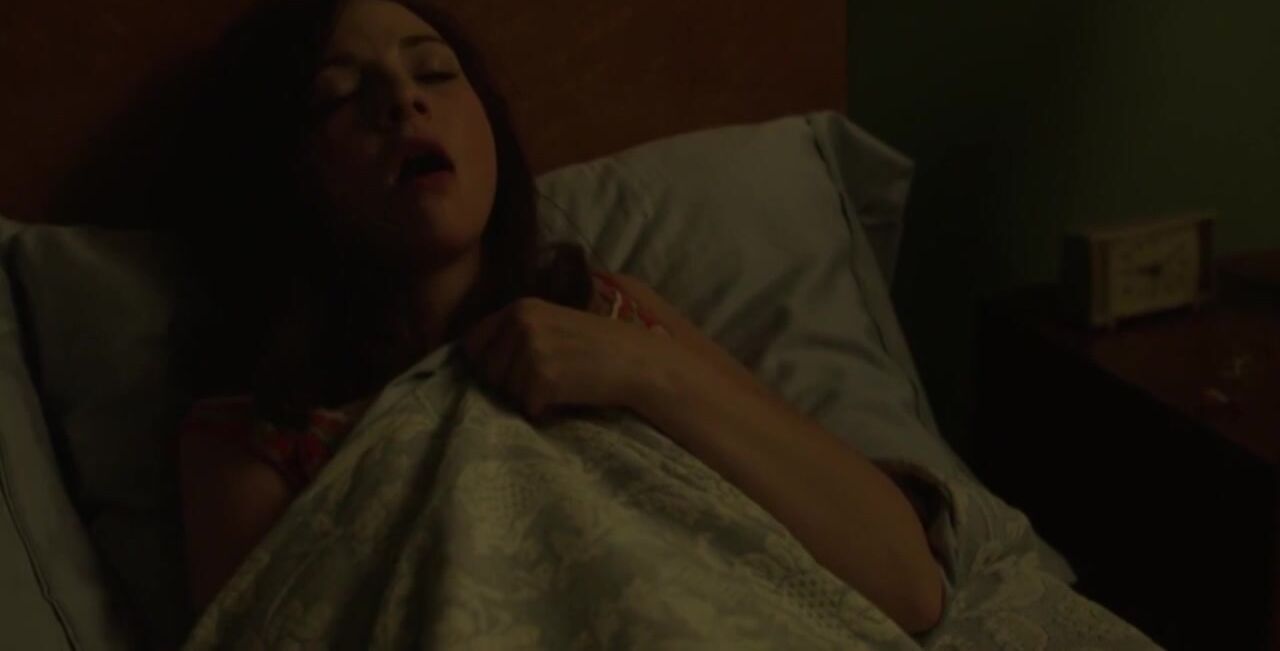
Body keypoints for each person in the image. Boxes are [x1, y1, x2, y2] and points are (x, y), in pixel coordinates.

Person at [175, 0, 946, 635]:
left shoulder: (608, 314)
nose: (403, 101)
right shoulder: (257, 437)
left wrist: (645, 370)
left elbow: (908, 584)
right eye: (340, 97)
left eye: (434, 71)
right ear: (282, 174)